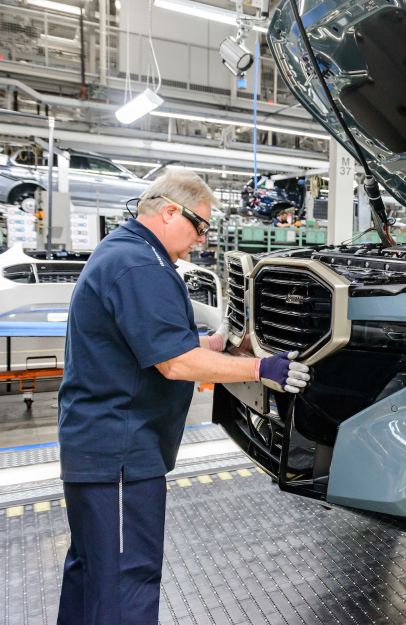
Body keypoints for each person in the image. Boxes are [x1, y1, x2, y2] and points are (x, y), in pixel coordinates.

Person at [56, 167, 311, 625]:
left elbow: (149, 340)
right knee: (125, 580)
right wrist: (260, 368)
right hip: (120, 454)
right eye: (200, 226)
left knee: (92, 573)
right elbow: (175, 363)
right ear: (170, 211)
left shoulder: (124, 251)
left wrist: (214, 345)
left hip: (101, 447)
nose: (202, 239)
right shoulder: (141, 266)